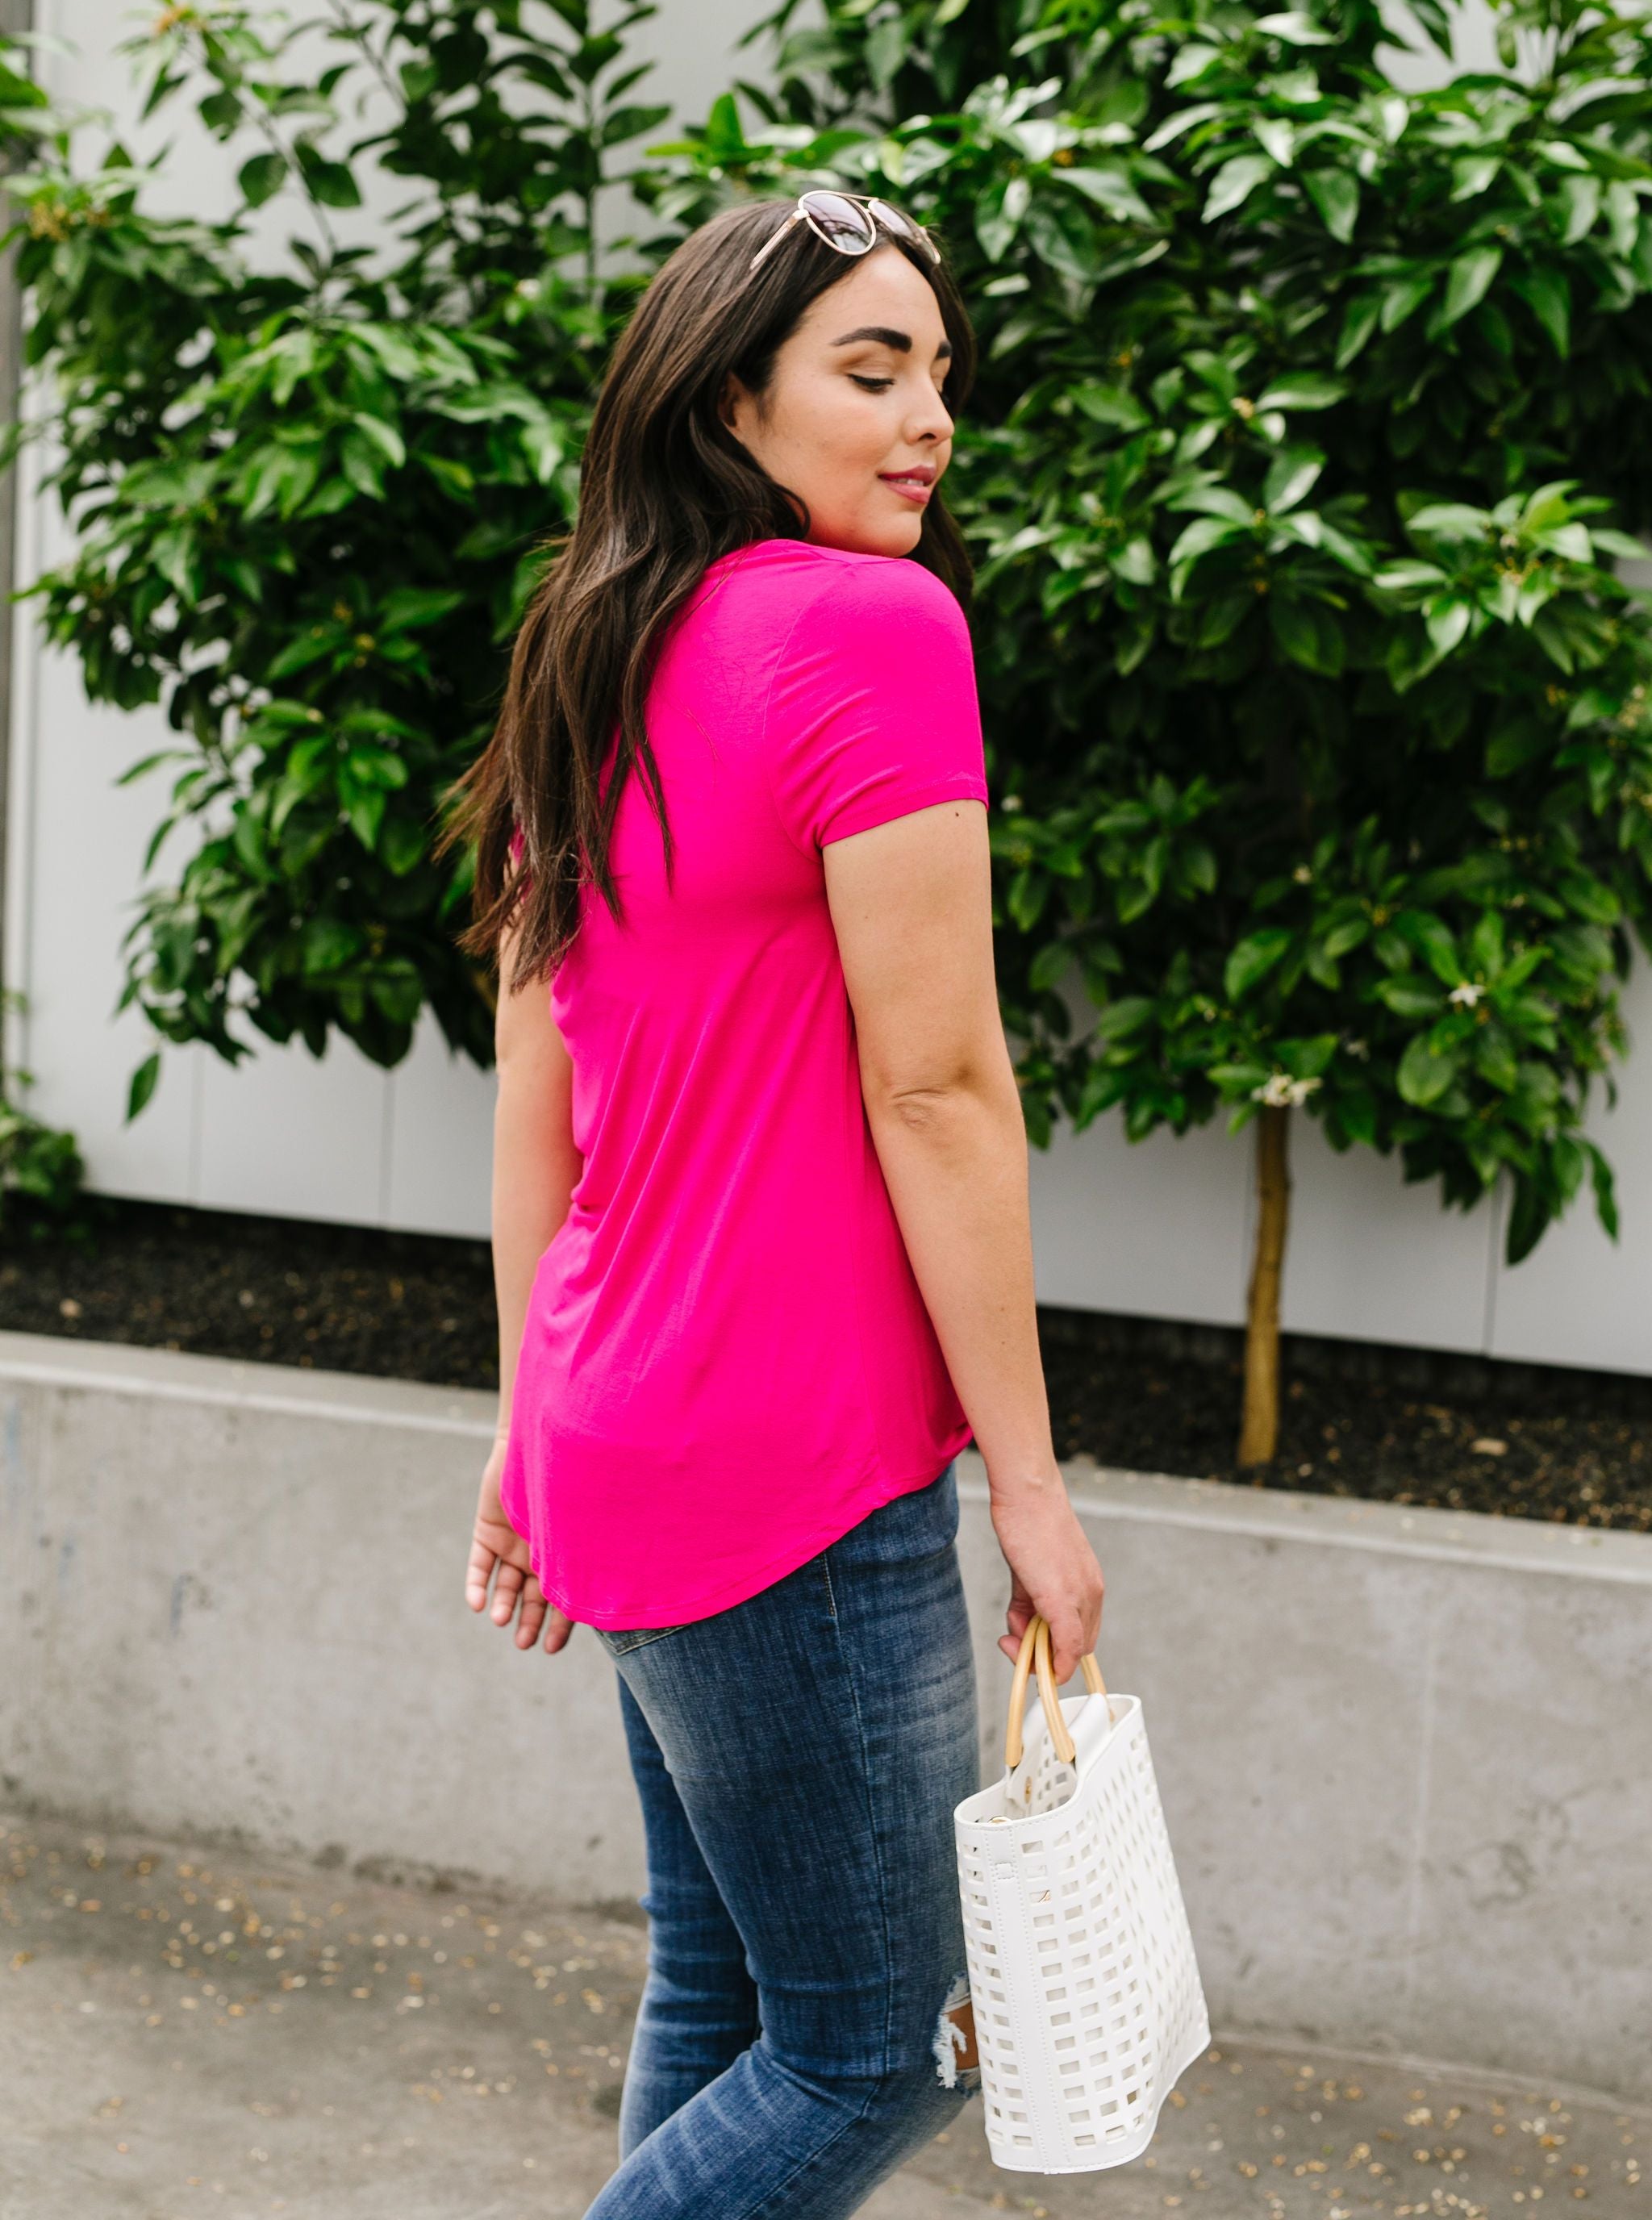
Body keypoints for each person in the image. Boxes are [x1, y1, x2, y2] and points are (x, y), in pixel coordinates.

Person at [441, 189, 1106, 2218]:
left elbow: (534, 1085)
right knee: (878, 2042)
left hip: (623, 1417)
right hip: (785, 1455)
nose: (929, 421)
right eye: (870, 370)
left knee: (728, 1981)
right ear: (733, 401)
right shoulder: (875, 631)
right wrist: (1034, 1482)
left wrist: (521, 1428)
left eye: (940, 377)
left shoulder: (597, 631)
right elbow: (940, 1082)